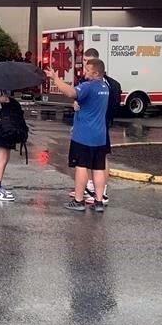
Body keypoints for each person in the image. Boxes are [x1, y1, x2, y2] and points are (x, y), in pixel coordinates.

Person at [46, 59, 110, 213]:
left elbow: (71, 92)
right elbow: (89, 102)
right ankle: (99, 201)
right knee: (98, 168)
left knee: (81, 166)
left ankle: (79, 200)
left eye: (88, 70)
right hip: (100, 135)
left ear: (96, 73)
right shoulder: (105, 87)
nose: (84, 72)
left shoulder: (88, 86)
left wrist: (55, 79)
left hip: (84, 135)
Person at [72, 48, 122, 205]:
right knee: (89, 161)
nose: (84, 65)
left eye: (87, 62)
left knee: (98, 160)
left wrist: (100, 118)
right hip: (87, 125)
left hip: (100, 126)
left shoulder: (109, 84)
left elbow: (113, 106)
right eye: (84, 61)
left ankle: (101, 192)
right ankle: (86, 189)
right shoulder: (85, 82)